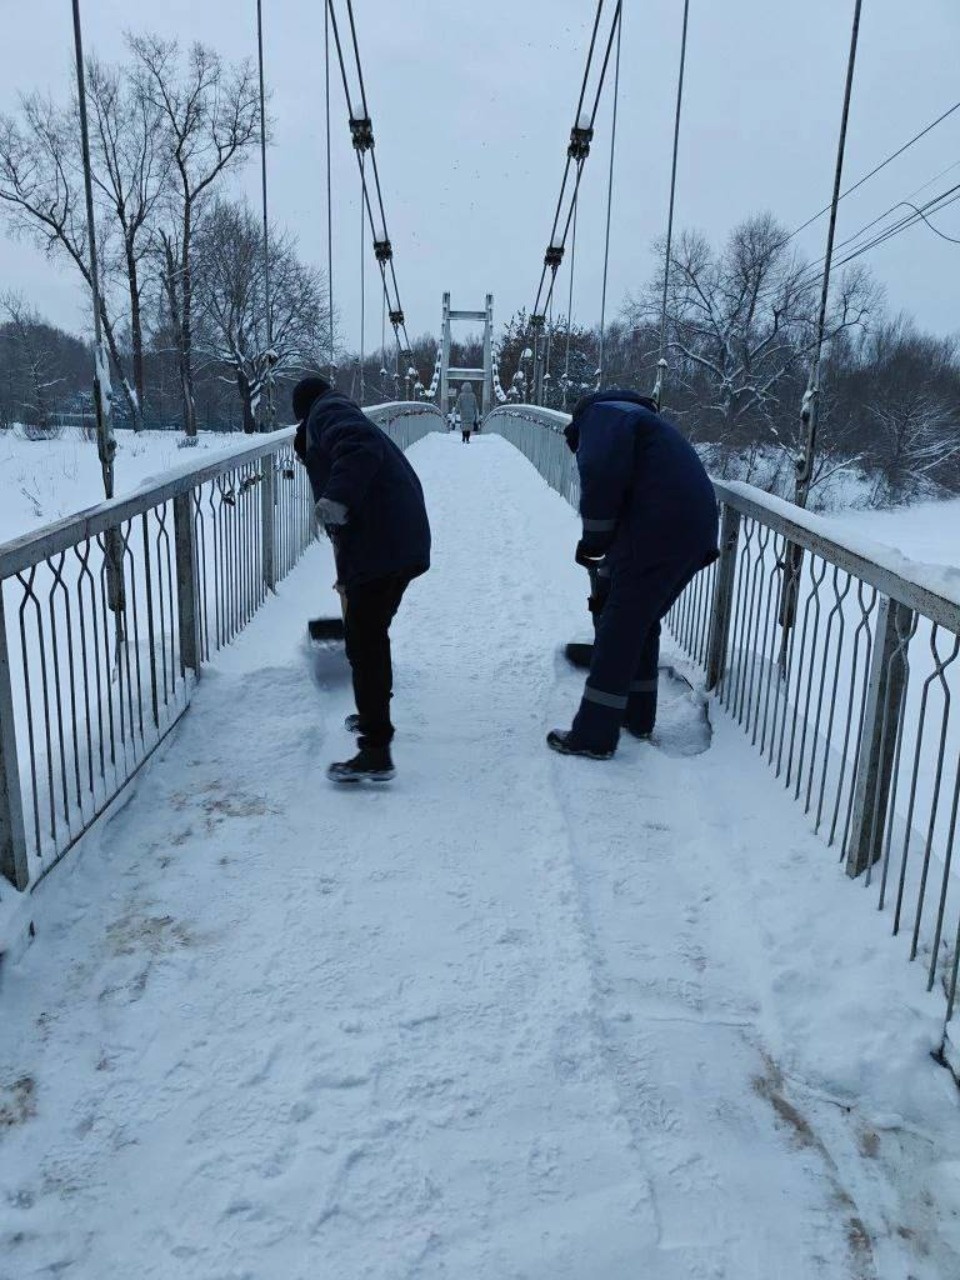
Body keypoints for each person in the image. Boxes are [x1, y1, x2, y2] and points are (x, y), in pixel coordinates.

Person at [548, 389, 719, 760]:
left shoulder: (602, 418)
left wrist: (594, 539)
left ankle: (594, 736)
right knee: (640, 622)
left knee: (619, 627)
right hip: (694, 529)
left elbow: (601, 475)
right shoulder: (640, 422)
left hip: (661, 530)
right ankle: (637, 716)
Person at [292, 376, 431, 783]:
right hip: (397, 540)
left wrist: (335, 500)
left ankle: (375, 750)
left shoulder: (327, 412)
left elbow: (358, 448)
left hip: (383, 545)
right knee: (370, 636)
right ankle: (373, 717)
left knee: (364, 640)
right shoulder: (340, 410)